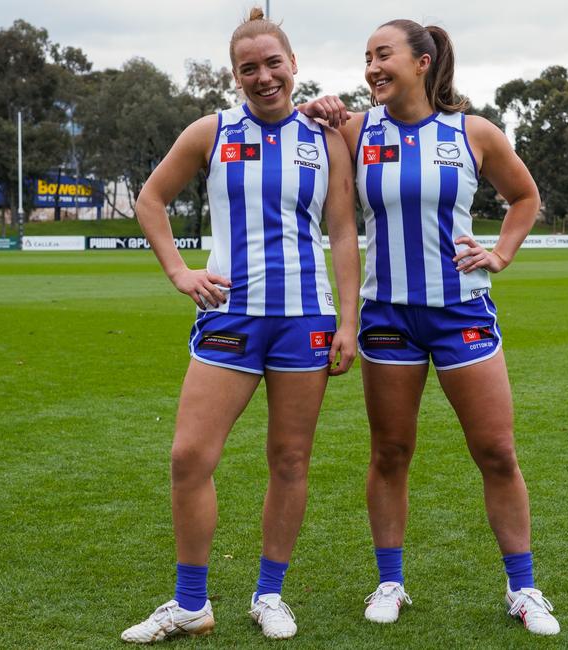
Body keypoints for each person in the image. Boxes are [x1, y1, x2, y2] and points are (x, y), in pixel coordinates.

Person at [299, 19, 560, 636]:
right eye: (366, 58)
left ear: (422, 62)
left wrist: (500, 252)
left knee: (496, 451)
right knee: (390, 453)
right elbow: (301, 127)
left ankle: (523, 589)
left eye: (383, 55)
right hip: (387, 316)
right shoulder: (357, 131)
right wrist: (315, 106)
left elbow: (525, 197)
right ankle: (390, 580)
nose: (371, 68)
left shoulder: (473, 132)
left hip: (461, 313)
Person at [120, 7, 359, 643]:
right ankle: (191, 602)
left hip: (305, 319)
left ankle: (270, 593)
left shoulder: (324, 137)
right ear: (234, 76)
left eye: (273, 63)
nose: (263, 77)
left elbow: (341, 232)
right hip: (229, 317)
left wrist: (348, 320)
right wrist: (178, 272)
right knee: (189, 457)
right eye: (248, 68)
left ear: (294, 65)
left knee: (289, 458)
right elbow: (150, 200)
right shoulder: (212, 131)